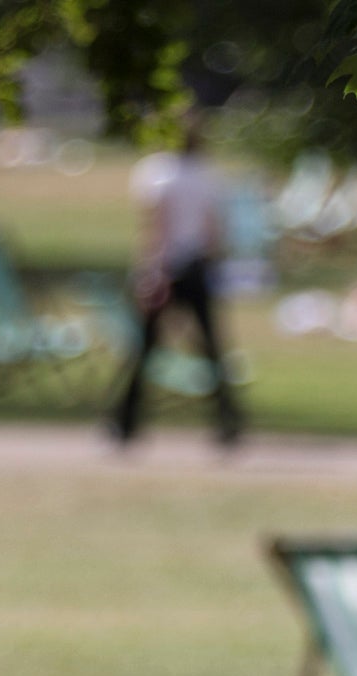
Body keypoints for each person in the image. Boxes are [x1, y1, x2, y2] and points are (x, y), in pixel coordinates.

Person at [108, 114, 245, 448]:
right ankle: (228, 420)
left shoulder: (157, 173)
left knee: (144, 347)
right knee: (211, 347)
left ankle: (125, 422)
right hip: (197, 269)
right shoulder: (208, 175)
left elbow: (156, 229)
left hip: (166, 270)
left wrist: (152, 271)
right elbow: (215, 233)